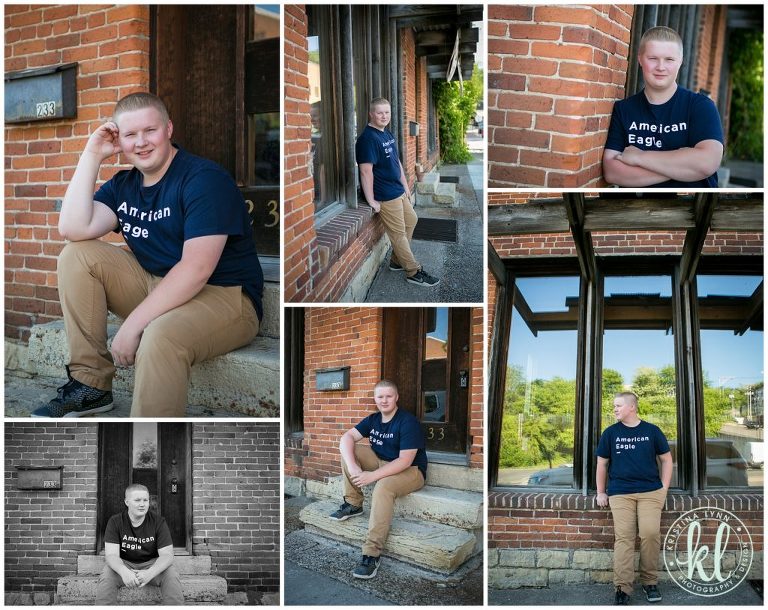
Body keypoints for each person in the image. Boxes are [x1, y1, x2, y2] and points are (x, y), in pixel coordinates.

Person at [31, 92, 263, 418]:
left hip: (225, 296)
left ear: (168, 129)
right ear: (119, 141)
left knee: (159, 336)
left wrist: (133, 325)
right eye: (130, 134)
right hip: (157, 284)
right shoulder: (124, 185)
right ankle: (90, 386)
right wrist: (92, 155)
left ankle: (149, 443)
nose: (141, 142)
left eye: (150, 130)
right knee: (76, 255)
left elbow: (196, 268)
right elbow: (72, 228)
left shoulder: (203, 179)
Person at [329, 379, 428, 579]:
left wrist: (372, 476)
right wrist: (354, 467)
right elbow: (346, 437)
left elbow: (405, 460)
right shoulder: (373, 419)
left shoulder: (407, 422)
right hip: (382, 461)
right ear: (375, 399)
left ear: (396, 397)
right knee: (349, 451)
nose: (384, 400)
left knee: (382, 486)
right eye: (380, 396)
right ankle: (353, 503)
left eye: (388, 396)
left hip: (411, 470)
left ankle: (371, 554)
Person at [602, 26, 723, 188]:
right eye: (653, 58)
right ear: (640, 59)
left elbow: (707, 163)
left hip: (693, 203)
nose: (660, 67)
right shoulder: (624, 109)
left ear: (680, 61)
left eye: (669, 59)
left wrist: (640, 157)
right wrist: (685, 167)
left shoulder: (701, 106)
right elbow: (612, 172)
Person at [596, 392, 673, 605]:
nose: (614, 409)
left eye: (618, 405)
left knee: (650, 533)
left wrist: (663, 489)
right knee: (624, 538)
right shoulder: (610, 433)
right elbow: (602, 464)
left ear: (632, 407)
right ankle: (622, 587)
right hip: (620, 492)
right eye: (614, 406)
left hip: (650, 492)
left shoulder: (652, 431)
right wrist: (601, 491)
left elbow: (667, 460)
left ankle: (650, 582)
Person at [355, 98, 440, 287]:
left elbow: (396, 161)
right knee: (398, 233)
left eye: (387, 112)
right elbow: (365, 171)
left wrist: (405, 185)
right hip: (385, 194)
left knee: (412, 220)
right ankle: (413, 271)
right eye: (379, 113)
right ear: (371, 114)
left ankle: (396, 260)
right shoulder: (367, 139)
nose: (384, 116)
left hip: (397, 190)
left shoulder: (386, 133)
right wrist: (371, 200)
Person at [95, 484, 183, 605]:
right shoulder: (115, 521)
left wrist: (149, 573)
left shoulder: (158, 522)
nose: (142, 504)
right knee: (107, 575)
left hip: (151, 564)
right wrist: (124, 572)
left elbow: (167, 555)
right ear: (127, 502)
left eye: (145, 500)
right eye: (137, 500)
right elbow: (111, 555)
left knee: (171, 574)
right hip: (125, 564)